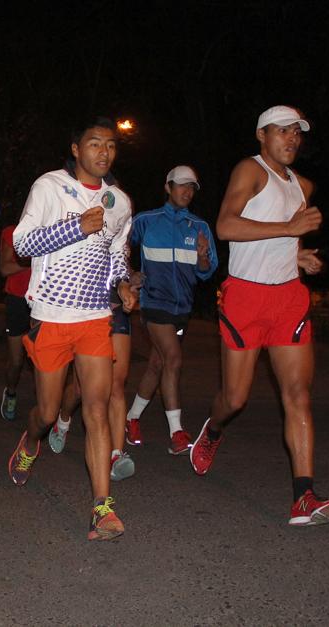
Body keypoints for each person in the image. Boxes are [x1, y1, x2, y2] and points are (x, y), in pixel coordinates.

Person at [189, 105, 329, 526]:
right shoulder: (250, 171)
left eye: (296, 133)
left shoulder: (302, 185)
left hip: (289, 297)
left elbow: (280, 234)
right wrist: (290, 231)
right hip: (246, 297)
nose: (291, 139)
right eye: (281, 131)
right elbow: (226, 227)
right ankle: (213, 430)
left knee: (298, 395)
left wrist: (299, 255)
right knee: (234, 399)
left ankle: (304, 497)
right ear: (261, 135)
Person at [7, 116, 136, 541]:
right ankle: (30, 441)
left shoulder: (120, 200)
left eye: (111, 145)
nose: (104, 152)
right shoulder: (49, 187)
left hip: (96, 317)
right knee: (46, 413)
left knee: (96, 409)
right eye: (95, 144)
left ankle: (103, 508)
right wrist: (75, 226)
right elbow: (22, 244)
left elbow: (117, 252)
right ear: (76, 149)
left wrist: (121, 282)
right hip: (51, 316)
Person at [125, 165, 218, 455]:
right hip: (154, 303)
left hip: (183, 308)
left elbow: (206, 271)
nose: (186, 191)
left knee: (157, 363)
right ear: (168, 187)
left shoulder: (199, 227)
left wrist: (202, 258)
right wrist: (130, 273)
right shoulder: (146, 221)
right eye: (181, 185)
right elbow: (118, 247)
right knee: (174, 359)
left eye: (191, 187)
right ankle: (177, 432)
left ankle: (131, 418)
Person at [47, 283, 138, 482]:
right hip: (85, 310)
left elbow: (121, 264)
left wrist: (130, 283)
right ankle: (63, 420)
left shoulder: (121, 249)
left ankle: (115, 455)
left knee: (116, 386)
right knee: (81, 390)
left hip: (116, 309)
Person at [0, 214, 32, 419]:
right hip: (17, 301)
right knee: (17, 360)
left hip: (44, 302)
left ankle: (47, 406)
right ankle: (10, 392)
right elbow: (5, 268)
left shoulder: (50, 231)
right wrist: (34, 262)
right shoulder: (12, 232)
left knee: (43, 361)